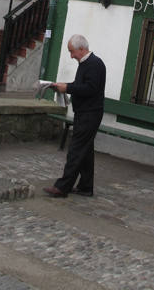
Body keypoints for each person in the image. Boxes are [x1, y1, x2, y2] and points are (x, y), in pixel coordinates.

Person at [43, 34, 106, 198]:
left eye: (72, 52)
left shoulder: (95, 64)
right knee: (85, 152)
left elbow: (90, 89)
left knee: (76, 150)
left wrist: (68, 88)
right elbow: (82, 85)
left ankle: (63, 187)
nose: (71, 56)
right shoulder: (86, 63)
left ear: (82, 49)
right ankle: (85, 187)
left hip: (90, 114)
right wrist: (64, 86)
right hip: (85, 112)